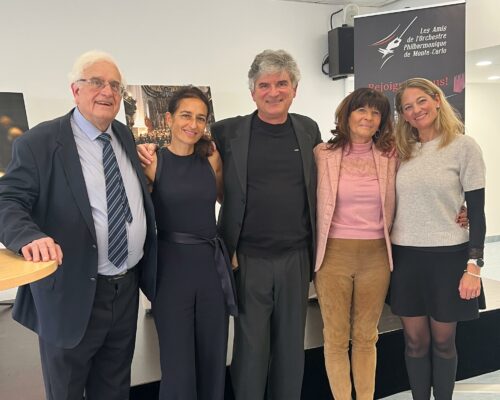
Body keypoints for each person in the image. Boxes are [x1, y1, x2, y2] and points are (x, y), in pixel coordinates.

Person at [0, 51, 157, 400]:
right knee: (67, 390)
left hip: (125, 289)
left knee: (114, 387)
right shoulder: (39, 143)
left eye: (115, 85)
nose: (108, 91)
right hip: (71, 291)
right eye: (96, 82)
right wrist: (29, 235)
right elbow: (7, 200)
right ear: (75, 90)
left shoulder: (123, 135)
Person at [212, 49, 321, 400]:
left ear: (295, 89)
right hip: (247, 258)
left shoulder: (308, 129)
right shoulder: (227, 132)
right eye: (264, 85)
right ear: (252, 91)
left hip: (296, 257)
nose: (273, 92)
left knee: (291, 347)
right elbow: (190, 161)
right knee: (250, 347)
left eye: (282, 84)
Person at [390, 77, 486, 400]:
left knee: (444, 342)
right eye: (407, 107)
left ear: (436, 99)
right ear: (403, 115)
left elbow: (477, 211)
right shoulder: (400, 152)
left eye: (421, 101)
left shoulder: (463, 147)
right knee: (414, 342)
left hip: (448, 258)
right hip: (405, 259)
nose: (416, 110)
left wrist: (474, 266)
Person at [141, 87, 237, 400]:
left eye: (200, 118)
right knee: (177, 364)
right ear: (169, 118)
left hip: (211, 269)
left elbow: (226, 200)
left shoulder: (211, 158)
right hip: (170, 271)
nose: (193, 124)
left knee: (212, 358)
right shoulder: (153, 162)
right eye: (186, 115)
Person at [314, 88, 397, 400]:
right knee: (335, 338)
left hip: (376, 257)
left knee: (366, 337)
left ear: (382, 121)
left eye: (376, 113)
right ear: (347, 115)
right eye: (361, 110)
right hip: (333, 256)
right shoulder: (322, 154)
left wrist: (461, 208)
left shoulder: (391, 157)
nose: (368, 117)